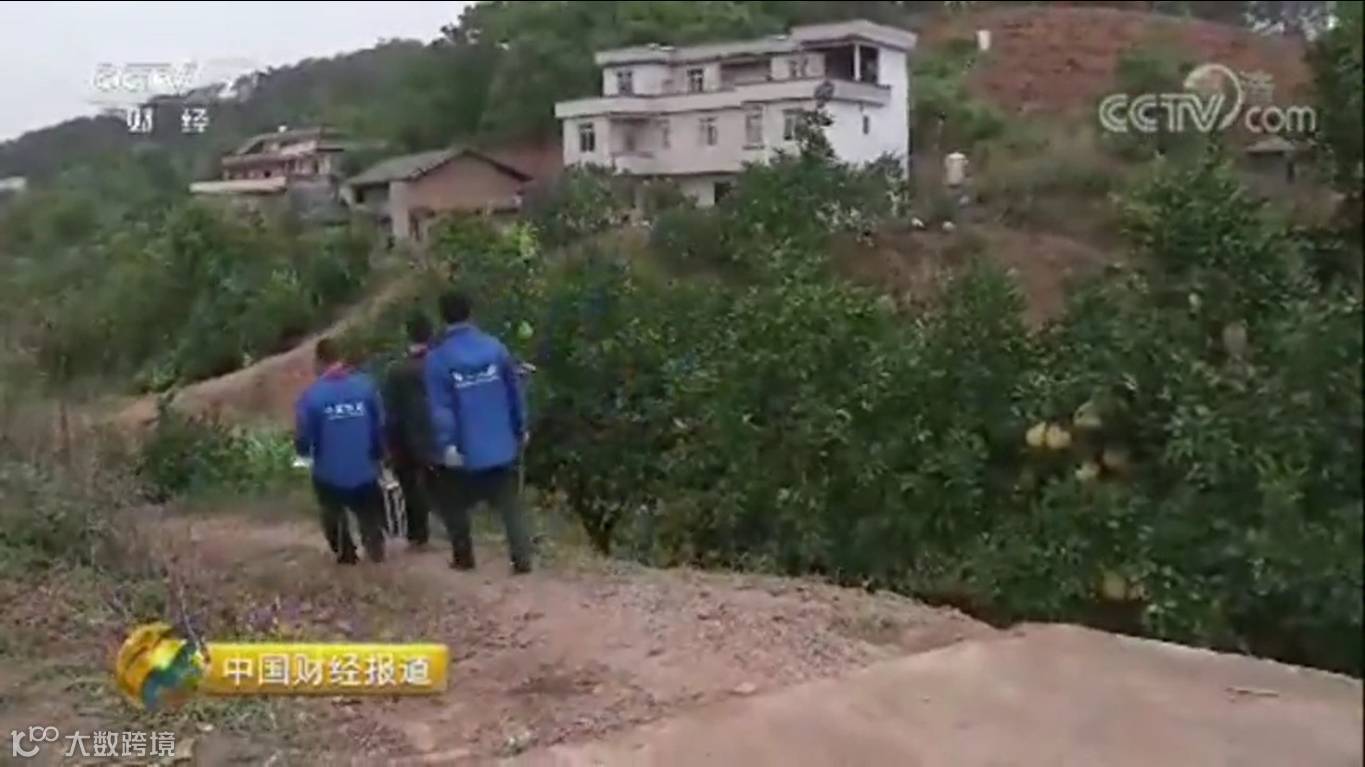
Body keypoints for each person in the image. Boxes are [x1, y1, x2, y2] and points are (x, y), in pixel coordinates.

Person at [424, 290, 533, 574]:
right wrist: (520, 427)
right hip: (501, 444)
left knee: (453, 503)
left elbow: (441, 408)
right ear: (471, 312)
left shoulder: (437, 359)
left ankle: (464, 558)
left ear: (442, 318)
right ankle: (522, 558)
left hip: (465, 450)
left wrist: (447, 445)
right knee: (510, 505)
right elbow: (514, 393)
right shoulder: (495, 348)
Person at [294, 338, 387, 565]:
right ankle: (375, 546)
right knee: (369, 509)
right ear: (340, 358)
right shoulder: (365, 387)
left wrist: (304, 454)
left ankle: (346, 552)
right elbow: (379, 423)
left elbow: (304, 433)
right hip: (364, 465)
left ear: (319, 362)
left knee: (332, 510)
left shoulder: (312, 396)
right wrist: (378, 453)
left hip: (329, 469)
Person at [382, 312, 436, 548]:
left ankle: (418, 533)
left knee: (410, 485)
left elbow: (390, 410)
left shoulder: (396, 370)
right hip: (438, 433)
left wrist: (387, 443)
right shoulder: (439, 365)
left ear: (408, 335)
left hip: (405, 438)